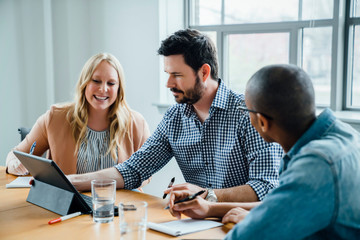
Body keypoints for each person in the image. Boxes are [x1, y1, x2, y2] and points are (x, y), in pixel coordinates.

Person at [67, 29, 283, 205]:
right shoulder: (174, 118)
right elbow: (133, 169)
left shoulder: (248, 113)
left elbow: (267, 186)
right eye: (168, 74)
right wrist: (69, 181)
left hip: (244, 224)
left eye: (177, 75)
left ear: (204, 73)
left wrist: (206, 194)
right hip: (194, 225)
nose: (168, 84)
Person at [170, 64, 360, 239]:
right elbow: (284, 204)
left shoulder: (315, 165)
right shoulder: (343, 135)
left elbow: (246, 237)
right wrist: (211, 208)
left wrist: (256, 222)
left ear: (262, 121)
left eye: (247, 110)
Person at [6, 53, 151, 189]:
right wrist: (14, 164)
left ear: (119, 88)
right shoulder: (55, 118)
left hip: (117, 206)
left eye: (111, 83)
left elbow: (146, 173)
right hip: (68, 206)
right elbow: (15, 154)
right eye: (96, 81)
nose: (103, 89)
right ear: (84, 82)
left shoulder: (137, 123)